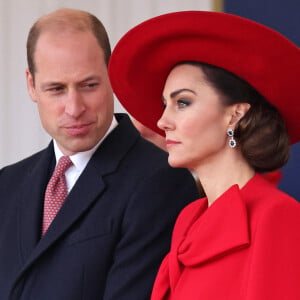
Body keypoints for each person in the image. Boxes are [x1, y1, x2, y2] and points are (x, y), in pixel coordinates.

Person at [0, 8, 200, 300]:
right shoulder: (7, 183)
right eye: (56, 89)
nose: (74, 107)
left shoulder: (161, 180)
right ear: (31, 85)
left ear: (112, 76)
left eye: (89, 85)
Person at [108, 11, 300, 299]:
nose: (162, 122)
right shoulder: (190, 218)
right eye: (164, 105)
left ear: (234, 115)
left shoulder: (278, 216)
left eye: (182, 102)